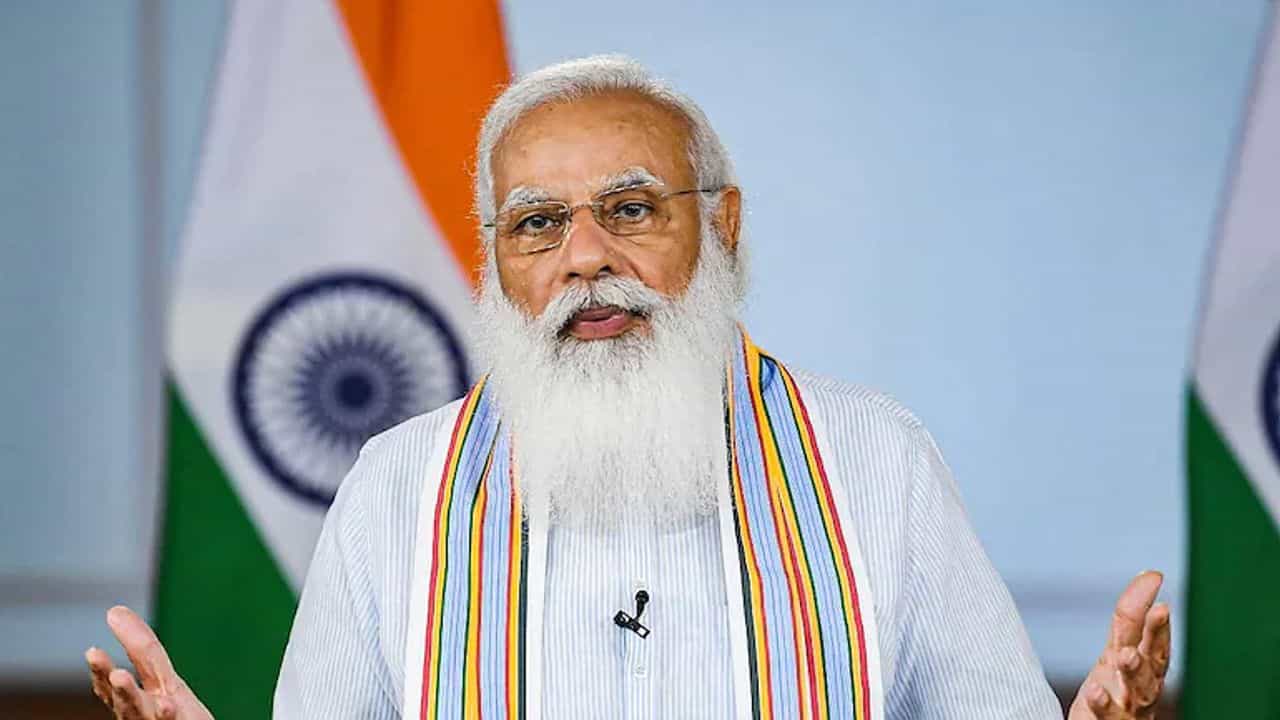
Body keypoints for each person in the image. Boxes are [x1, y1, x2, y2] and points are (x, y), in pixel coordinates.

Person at [85, 55, 1170, 719]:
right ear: (495, 260)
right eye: (536, 224)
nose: (585, 258)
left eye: (632, 208)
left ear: (722, 225)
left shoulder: (873, 460)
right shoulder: (397, 486)